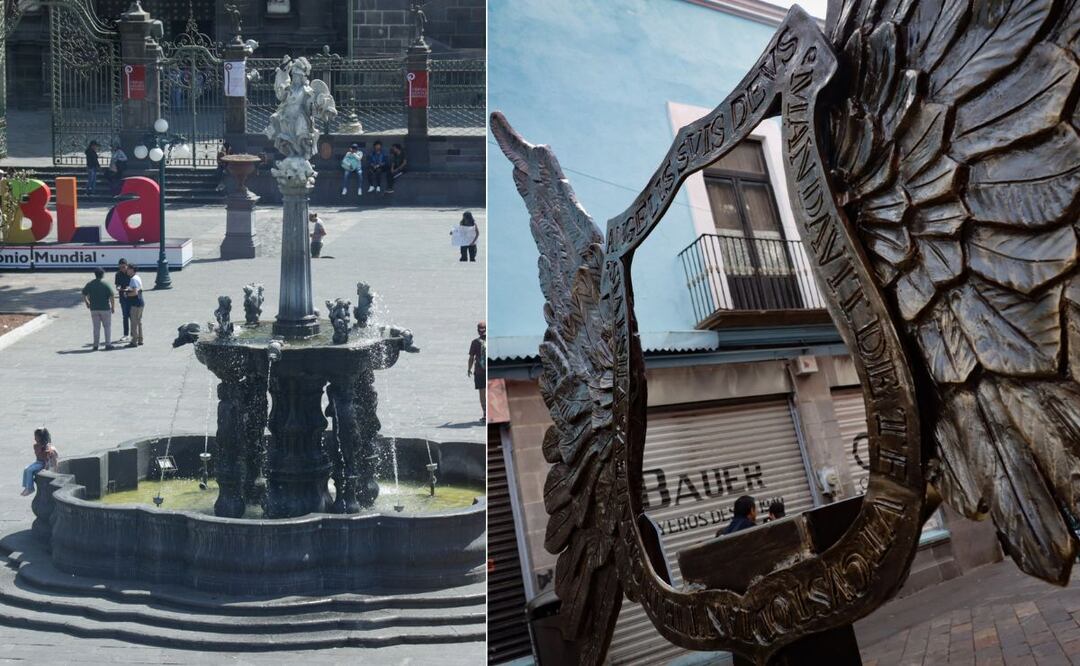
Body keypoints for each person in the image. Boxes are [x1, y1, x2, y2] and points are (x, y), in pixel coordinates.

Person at [81, 267, 116, 351]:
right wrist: (113, 307)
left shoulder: (90, 284)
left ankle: (95, 345)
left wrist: (87, 302)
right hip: (105, 309)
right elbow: (112, 296)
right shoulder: (105, 284)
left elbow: (83, 294)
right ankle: (108, 344)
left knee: (96, 328)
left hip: (94, 309)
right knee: (107, 327)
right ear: (103, 275)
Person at [21, 428, 58, 496]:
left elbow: (51, 456)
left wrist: (48, 466)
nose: (34, 438)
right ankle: (26, 486)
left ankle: (30, 488)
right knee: (26, 469)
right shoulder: (37, 445)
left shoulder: (47, 446)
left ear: (41, 437)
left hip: (42, 463)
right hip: (38, 462)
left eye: (36, 437)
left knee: (29, 470)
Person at [468, 321, 487, 421]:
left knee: (482, 392)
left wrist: (469, 369)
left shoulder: (475, 342)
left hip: (479, 371)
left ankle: (485, 413)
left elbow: (471, 357)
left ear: (478, 331)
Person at [124, 264, 144, 347]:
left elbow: (135, 292)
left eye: (128, 269)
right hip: (140, 302)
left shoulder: (133, 279)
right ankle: (140, 339)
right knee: (139, 322)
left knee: (134, 323)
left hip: (135, 304)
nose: (126, 270)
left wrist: (127, 294)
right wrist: (129, 289)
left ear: (132, 270)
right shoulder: (137, 277)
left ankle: (134, 341)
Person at [114, 258, 131, 341]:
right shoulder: (118, 274)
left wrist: (129, 288)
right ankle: (126, 334)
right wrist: (118, 287)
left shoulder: (130, 273)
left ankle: (134, 334)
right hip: (123, 297)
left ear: (127, 266)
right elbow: (117, 285)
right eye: (120, 267)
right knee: (125, 316)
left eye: (123, 267)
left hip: (131, 297)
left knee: (133, 316)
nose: (122, 269)